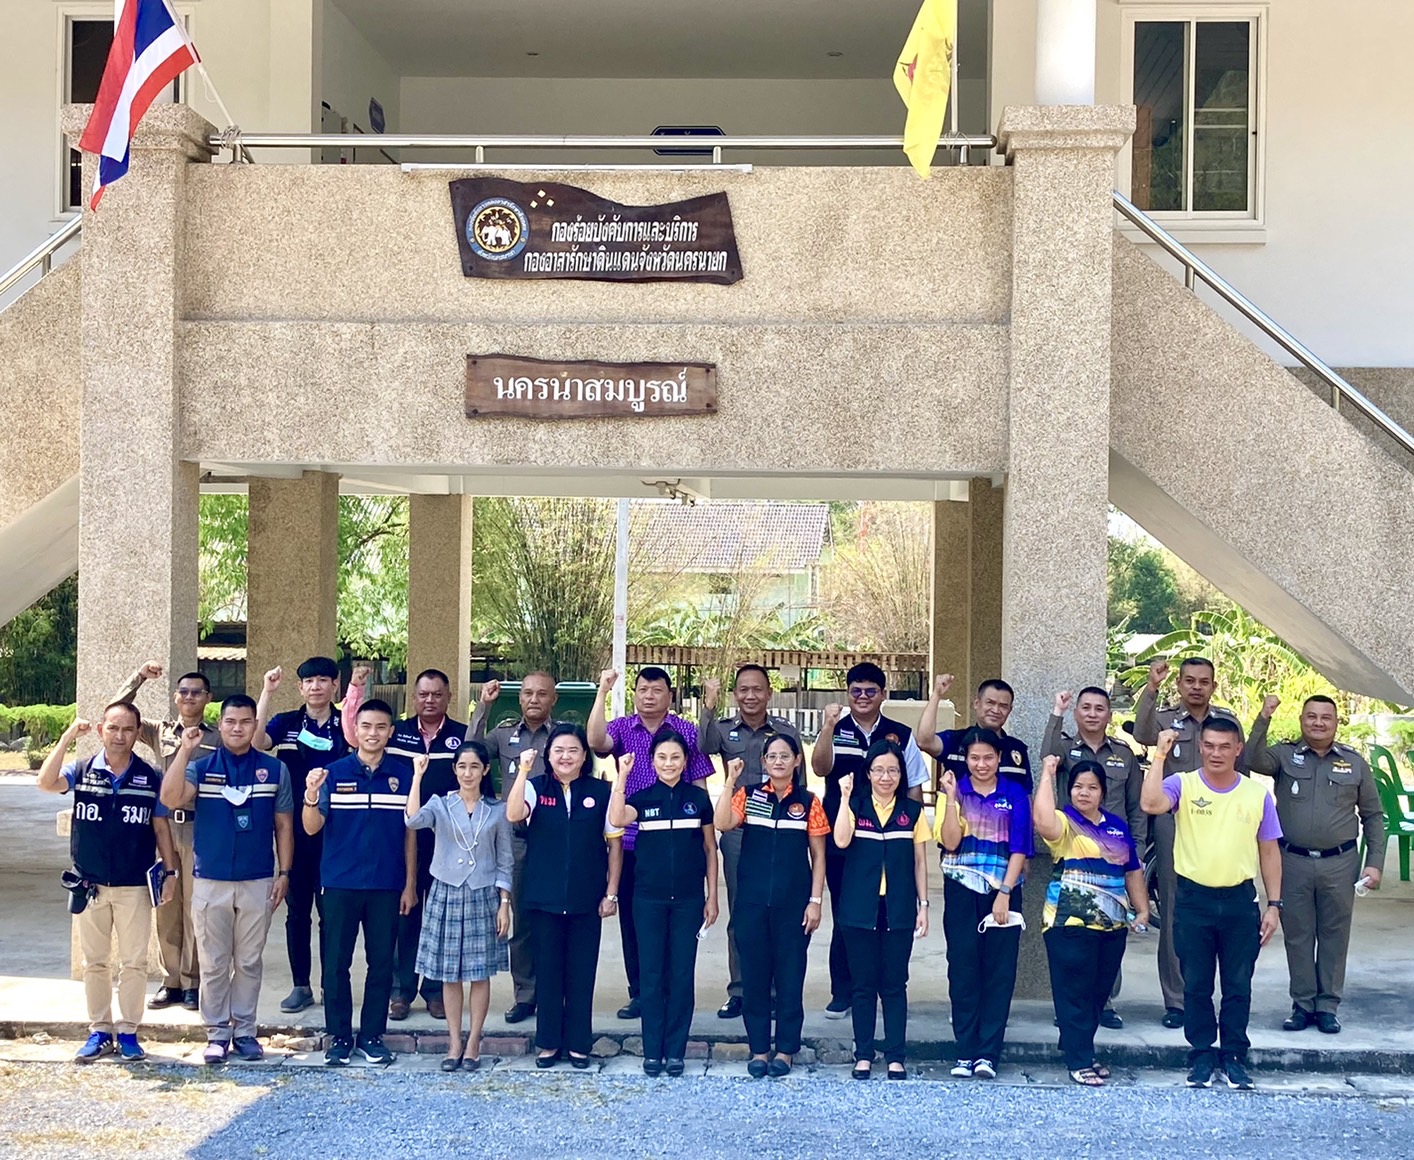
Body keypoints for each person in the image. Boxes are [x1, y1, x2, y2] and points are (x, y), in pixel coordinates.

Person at [1141, 719, 1282, 1090]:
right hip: (1194, 901)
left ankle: (1234, 1055)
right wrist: (1159, 755)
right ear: (1200, 747)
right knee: (1196, 985)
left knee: (1238, 985)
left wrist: (1274, 905)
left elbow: (1269, 851)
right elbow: (1150, 803)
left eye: (1224, 746)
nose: (1216, 753)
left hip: (1239, 902)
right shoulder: (1182, 784)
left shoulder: (1257, 795)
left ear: (1238, 750)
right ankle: (1201, 1054)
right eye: (1209, 745)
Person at [38, 704, 178, 1063]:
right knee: (95, 963)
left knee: (134, 963)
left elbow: (161, 828)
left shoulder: (151, 776)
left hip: (134, 885)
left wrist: (171, 874)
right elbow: (46, 782)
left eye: (128, 729)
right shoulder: (82, 770)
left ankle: (128, 1032)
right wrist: (68, 737)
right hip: (90, 885)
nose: (120, 736)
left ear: (138, 734)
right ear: (101, 730)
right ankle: (100, 1030)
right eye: (113, 728)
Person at [158, 695, 295, 1064]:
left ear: (255, 725)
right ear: (220, 726)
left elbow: (284, 826)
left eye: (245, 721)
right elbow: (170, 798)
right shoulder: (201, 768)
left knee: (249, 961)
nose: (238, 728)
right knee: (214, 962)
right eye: (230, 721)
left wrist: (284, 872)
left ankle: (245, 1032)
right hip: (210, 879)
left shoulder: (275, 770)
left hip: (257, 879)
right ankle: (217, 1033)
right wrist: (184, 751)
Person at [1245, 694, 1385, 1035]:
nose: (1318, 723)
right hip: (1293, 861)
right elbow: (1250, 759)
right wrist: (1263, 717)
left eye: (1326, 717)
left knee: (1335, 936)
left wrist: (1374, 863)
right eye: (1311, 716)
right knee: (1298, 935)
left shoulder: (1354, 763)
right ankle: (1303, 1004)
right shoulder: (1284, 755)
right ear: (1302, 720)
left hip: (1340, 863)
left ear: (1336, 723)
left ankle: (1327, 1006)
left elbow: (1373, 815)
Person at [342, 666, 468, 1022]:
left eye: (437, 694)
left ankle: (436, 990)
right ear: (414, 697)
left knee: (441, 920)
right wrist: (355, 689)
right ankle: (401, 990)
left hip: (448, 842)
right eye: (423, 694)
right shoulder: (397, 733)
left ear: (448, 697)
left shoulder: (461, 736)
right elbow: (354, 735)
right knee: (405, 915)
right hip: (403, 840)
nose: (430, 700)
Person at [588, 666, 712, 1021]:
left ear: (670, 696)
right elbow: (596, 742)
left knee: (678, 927)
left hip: (678, 842)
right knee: (635, 924)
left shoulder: (686, 732)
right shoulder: (623, 727)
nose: (649, 696)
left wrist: (701, 836)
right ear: (635, 694)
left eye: (657, 690)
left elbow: (699, 784)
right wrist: (602, 692)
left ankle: (672, 994)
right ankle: (641, 993)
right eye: (642, 689)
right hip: (632, 841)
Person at [301, 698, 418, 1067]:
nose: (373, 733)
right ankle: (339, 1036)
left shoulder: (403, 776)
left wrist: (410, 883)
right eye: (366, 726)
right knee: (336, 963)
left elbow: (410, 834)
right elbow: (311, 827)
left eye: (381, 727)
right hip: (340, 883)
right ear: (355, 730)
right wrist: (311, 795)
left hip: (387, 884)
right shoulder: (333, 773)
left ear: (391, 732)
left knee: (381, 963)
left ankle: (371, 1036)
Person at [1131, 656, 1245, 1028]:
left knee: (1217, 911)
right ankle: (1177, 1000)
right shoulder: (1166, 720)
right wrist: (1151, 687)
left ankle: (1209, 995)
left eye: (1204, 681)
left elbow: (1240, 774)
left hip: (1219, 826)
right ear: (1179, 684)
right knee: (1175, 911)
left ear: (1213, 686)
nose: (1197, 687)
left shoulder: (1226, 723)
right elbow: (1142, 734)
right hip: (1174, 824)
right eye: (1190, 681)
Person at [809, 661, 927, 1019]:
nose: (862, 697)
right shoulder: (836, 728)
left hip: (889, 839)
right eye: (856, 691)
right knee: (847, 915)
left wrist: (911, 830)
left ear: (883, 694)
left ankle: (886, 990)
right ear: (848, 694)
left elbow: (914, 786)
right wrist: (827, 727)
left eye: (870, 691)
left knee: (888, 916)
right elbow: (820, 767)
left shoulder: (900, 735)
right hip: (842, 838)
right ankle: (844, 991)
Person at [506, 723, 623, 1069]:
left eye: (573, 750)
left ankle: (578, 1044)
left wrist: (611, 893)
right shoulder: (535, 787)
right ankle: (548, 1043)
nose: (566, 756)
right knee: (548, 973)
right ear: (548, 755)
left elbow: (614, 845)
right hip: (543, 897)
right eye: (558, 750)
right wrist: (523, 770)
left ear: (584, 756)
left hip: (587, 898)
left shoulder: (600, 792)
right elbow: (513, 814)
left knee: (581, 974)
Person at [713, 735, 827, 1078]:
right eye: (772, 756)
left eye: (785, 756)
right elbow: (722, 823)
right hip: (751, 904)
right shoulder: (748, 796)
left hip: (793, 907)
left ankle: (786, 1050)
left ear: (796, 761)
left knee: (790, 980)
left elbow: (819, 855)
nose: (778, 761)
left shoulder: (809, 802)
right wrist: (730, 781)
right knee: (755, 980)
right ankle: (760, 1049)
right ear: (763, 762)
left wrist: (815, 901)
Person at [1032, 754, 1149, 1086]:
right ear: (1069, 791)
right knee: (1075, 992)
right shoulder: (1065, 822)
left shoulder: (1117, 826)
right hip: (1069, 922)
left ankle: (1079, 1047)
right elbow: (1042, 820)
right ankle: (1079, 1060)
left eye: (1092, 787)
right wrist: (1047, 773)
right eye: (1078, 787)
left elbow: (1132, 871)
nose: (1084, 793)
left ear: (1103, 792)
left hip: (1112, 924)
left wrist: (1142, 909)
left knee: (1098, 992)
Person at [609, 733, 718, 1076]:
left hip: (688, 901)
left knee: (682, 975)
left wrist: (713, 897)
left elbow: (710, 849)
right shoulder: (642, 798)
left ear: (685, 762)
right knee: (652, 975)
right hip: (648, 900)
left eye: (675, 757)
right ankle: (652, 1052)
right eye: (662, 757)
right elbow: (617, 818)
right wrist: (622, 777)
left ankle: (675, 1052)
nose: (669, 763)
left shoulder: (698, 800)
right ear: (652, 761)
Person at [112, 662, 219, 1013]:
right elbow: (117, 711)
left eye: (196, 692)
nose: (189, 697)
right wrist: (139, 677)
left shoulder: (216, 736)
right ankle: (170, 981)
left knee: (195, 907)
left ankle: (192, 981)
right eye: (183, 692)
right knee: (166, 905)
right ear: (175, 697)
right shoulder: (160, 731)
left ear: (208, 698)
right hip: (164, 829)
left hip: (200, 827)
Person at [698, 664, 802, 1020]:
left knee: (777, 912)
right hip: (739, 831)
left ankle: (772, 992)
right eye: (743, 689)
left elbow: (799, 782)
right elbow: (703, 746)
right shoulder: (724, 729)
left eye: (757, 689)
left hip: (779, 830)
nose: (750, 696)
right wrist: (708, 704)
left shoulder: (785, 731)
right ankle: (741, 990)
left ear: (769, 693)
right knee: (742, 911)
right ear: (735, 694)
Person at [1040, 685, 1146, 1029]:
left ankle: (1106, 1003)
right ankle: (1069, 1009)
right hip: (1075, 850)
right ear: (1077, 713)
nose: (1092, 714)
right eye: (1085, 707)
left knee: (1110, 926)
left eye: (1100, 708)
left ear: (1109, 715)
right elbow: (1047, 756)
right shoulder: (1065, 748)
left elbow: (1136, 806)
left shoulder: (1124, 755)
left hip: (1115, 855)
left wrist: (1137, 849)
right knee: (1075, 934)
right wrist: (1056, 712)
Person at [405, 741, 513, 1072]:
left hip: (483, 894)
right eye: (462, 766)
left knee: (479, 974)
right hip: (446, 893)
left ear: (485, 770)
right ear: (454, 770)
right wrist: (417, 777)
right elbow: (412, 820)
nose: (468, 773)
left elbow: (505, 860)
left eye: (474, 766)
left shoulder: (497, 810)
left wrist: (504, 903)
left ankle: (474, 1041)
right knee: (449, 973)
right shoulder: (440, 804)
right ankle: (454, 1042)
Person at [935, 727, 1033, 1080]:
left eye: (988, 757)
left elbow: (1020, 848)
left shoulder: (1015, 793)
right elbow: (950, 842)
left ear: (999, 758)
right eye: (974, 758)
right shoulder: (955, 789)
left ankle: (987, 1054)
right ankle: (965, 1051)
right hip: (961, 889)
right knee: (962, 969)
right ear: (966, 759)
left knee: (999, 972)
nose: (981, 764)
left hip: (1003, 891)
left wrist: (1004, 893)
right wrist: (950, 798)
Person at [255, 657, 351, 1014]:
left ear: (334, 686)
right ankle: (301, 986)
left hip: (335, 832)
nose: (316, 687)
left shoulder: (346, 724)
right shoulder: (287, 723)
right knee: (297, 912)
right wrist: (266, 692)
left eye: (323, 680)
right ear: (300, 687)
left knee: (331, 914)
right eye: (309, 681)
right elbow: (257, 741)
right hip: (294, 831)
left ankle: (330, 985)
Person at [832, 740, 931, 1081]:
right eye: (879, 770)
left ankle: (895, 1056)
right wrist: (844, 797)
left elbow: (920, 862)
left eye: (893, 770)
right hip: (859, 909)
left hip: (898, 908)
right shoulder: (856, 805)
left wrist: (924, 905)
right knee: (862, 985)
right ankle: (863, 1055)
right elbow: (841, 840)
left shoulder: (912, 811)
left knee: (894, 984)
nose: (885, 777)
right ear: (868, 773)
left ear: (901, 774)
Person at [468, 671, 561, 1024]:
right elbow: (470, 753)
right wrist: (483, 707)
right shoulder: (503, 734)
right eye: (527, 693)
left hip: (554, 841)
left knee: (554, 920)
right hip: (516, 842)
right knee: (520, 923)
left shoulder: (564, 736)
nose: (534, 699)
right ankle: (525, 995)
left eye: (542, 694)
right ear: (519, 698)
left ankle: (554, 993)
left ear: (553, 699)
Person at [919, 675, 1034, 793]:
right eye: (990, 703)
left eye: (1003, 706)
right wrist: (936, 694)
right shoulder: (956, 740)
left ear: (1010, 710)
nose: (995, 710)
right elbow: (924, 741)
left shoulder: (1017, 749)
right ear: (976, 703)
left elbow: (1026, 795)